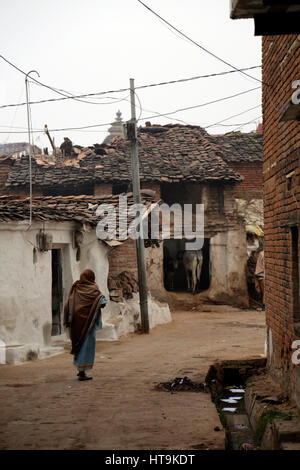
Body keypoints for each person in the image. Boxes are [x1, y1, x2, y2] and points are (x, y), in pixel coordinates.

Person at [63, 269, 107, 381]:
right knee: (86, 346)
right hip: (88, 324)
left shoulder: (76, 287)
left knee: (78, 343)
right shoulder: (93, 288)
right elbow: (102, 302)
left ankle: (79, 369)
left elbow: (69, 301)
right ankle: (82, 372)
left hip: (76, 322)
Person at [255, 247, 265, 311]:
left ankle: (264, 306)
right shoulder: (263, 254)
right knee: (265, 292)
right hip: (262, 274)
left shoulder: (261, 253)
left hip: (260, 274)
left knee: (264, 292)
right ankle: (264, 307)